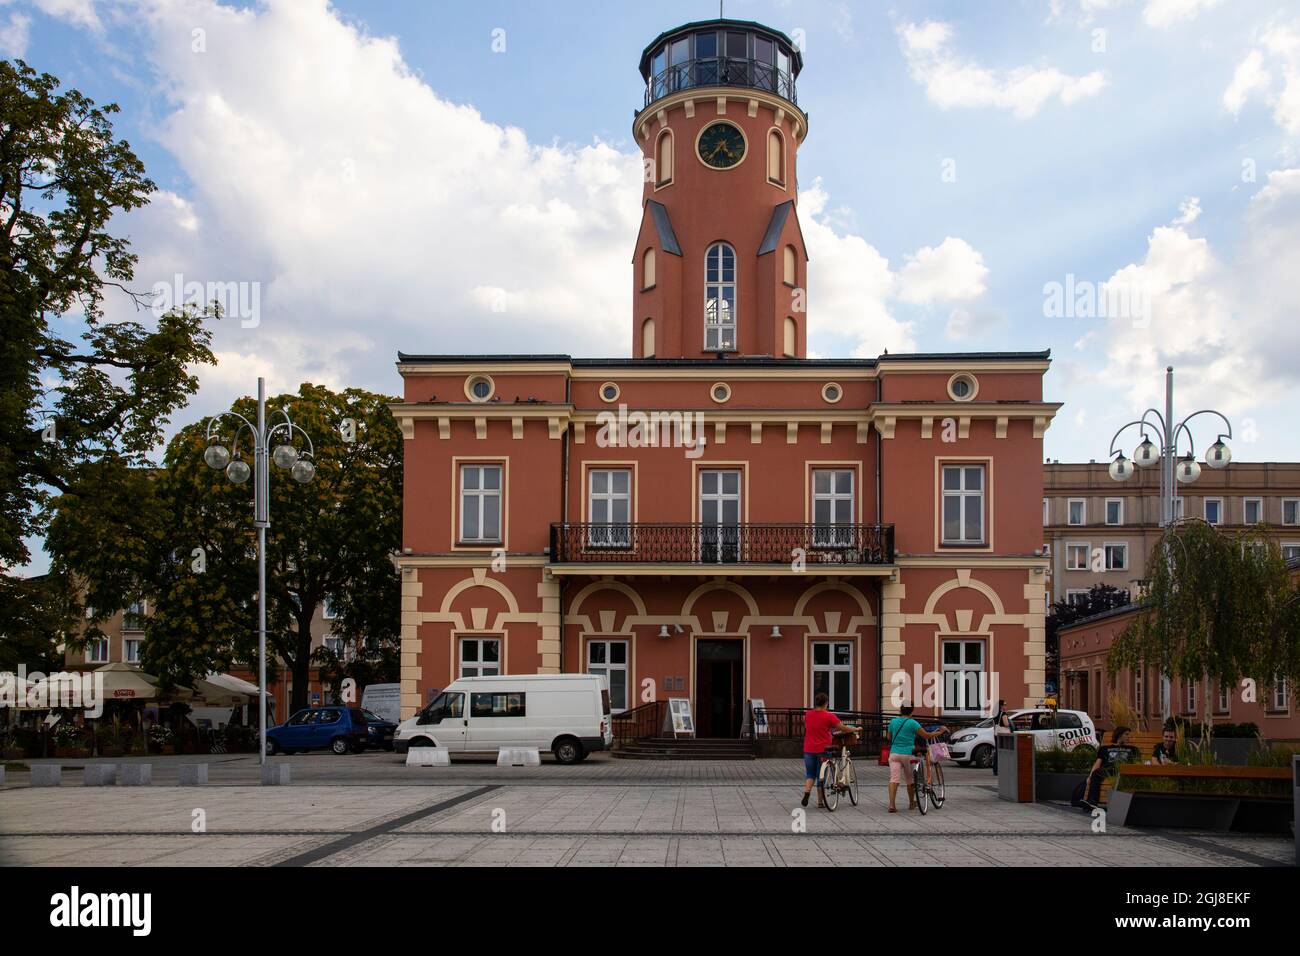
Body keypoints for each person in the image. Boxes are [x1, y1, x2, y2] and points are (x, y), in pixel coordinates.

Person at [801, 693, 860, 808]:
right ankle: (820, 802)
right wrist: (855, 729)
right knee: (821, 775)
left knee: (810, 774)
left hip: (808, 749)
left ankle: (807, 792)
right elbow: (842, 728)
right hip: (823, 749)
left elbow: (809, 727)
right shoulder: (829, 716)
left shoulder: (807, 715)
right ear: (826, 703)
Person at [887, 705, 948, 812]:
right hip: (908, 754)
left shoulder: (893, 722)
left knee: (894, 779)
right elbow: (926, 735)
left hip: (894, 754)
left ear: (900, 710)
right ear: (911, 712)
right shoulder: (912, 723)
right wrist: (940, 732)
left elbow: (888, 737)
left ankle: (892, 805)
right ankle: (911, 803)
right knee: (910, 780)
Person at [1083, 726, 1135, 809]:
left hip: (1123, 770)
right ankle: (1092, 802)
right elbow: (1097, 763)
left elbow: (1135, 763)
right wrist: (1090, 776)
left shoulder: (1133, 749)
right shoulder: (1105, 748)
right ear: (1119, 735)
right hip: (1108, 769)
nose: (1129, 737)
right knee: (1096, 773)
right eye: (1126, 734)